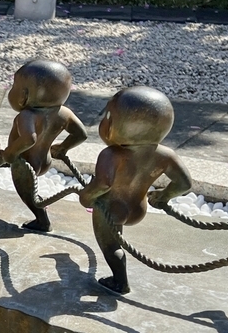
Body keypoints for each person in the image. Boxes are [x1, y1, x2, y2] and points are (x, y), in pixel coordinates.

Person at [78, 86, 192, 295]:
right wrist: (163, 196)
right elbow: (184, 184)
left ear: (113, 124)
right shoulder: (165, 154)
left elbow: (103, 184)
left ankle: (119, 281)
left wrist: (85, 197)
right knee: (116, 239)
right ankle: (119, 279)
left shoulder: (111, 154)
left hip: (111, 208)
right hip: (138, 208)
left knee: (111, 246)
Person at [1, 60, 88, 232]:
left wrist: (9, 154)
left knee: (26, 194)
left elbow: (28, 139)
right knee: (30, 187)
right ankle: (37, 201)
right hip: (45, 160)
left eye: (14, 87)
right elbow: (81, 134)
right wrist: (62, 147)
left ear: (23, 95)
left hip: (26, 163)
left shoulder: (26, 116)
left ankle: (42, 220)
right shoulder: (63, 113)